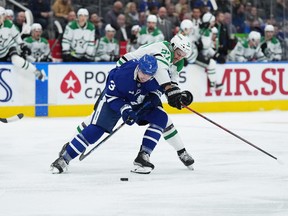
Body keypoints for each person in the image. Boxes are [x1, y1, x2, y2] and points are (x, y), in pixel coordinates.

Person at [50, 54, 168, 174]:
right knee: (96, 130)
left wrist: (155, 95)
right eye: (143, 72)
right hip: (115, 99)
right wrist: (125, 110)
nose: (145, 77)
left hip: (137, 99)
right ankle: (64, 158)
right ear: (138, 67)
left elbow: (163, 86)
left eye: (149, 74)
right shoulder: (121, 75)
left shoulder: (158, 75)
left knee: (161, 118)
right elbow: (111, 96)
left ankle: (143, 156)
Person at [115, 34, 194, 170]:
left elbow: (172, 80)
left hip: (145, 83)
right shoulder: (163, 49)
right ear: (172, 46)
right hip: (126, 75)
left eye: (183, 55)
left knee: (163, 119)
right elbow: (161, 71)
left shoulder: (177, 61)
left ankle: (179, 152)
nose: (179, 57)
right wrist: (169, 91)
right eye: (179, 53)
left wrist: (178, 95)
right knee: (102, 119)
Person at [0, 7, 45, 81]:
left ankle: (36, 72)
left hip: (8, 47)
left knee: (16, 60)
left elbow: (16, 36)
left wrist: (22, 45)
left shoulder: (9, 24)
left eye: (1, 17)